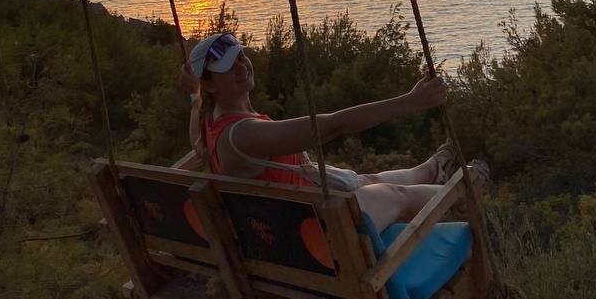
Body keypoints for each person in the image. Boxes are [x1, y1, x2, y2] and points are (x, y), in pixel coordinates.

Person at [181, 30, 488, 234]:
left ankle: (433, 169)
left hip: (296, 216)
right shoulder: (244, 134)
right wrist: (411, 101)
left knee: (369, 181)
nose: (241, 66)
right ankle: (461, 191)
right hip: (317, 229)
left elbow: (197, 133)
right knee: (396, 196)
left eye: (241, 56)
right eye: (228, 67)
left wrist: (195, 94)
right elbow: (334, 125)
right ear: (210, 84)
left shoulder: (211, 123)